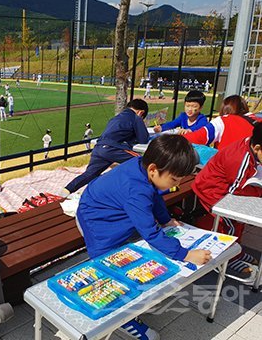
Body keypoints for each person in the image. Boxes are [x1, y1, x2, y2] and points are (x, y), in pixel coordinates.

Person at [77, 135, 210, 340]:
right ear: (153, 169)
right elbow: (151, 232)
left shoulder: (143, 167)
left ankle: (132, 301)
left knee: (131, 261)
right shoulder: (136, 190)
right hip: (98, 223)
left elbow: (154, 194)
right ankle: (122, 319)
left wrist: (166, 220)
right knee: (108, 270)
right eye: (175, 179)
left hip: (113, 213)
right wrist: (185, 254)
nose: (178, 183)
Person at [191, 123, 262, 279]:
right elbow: (233, 193)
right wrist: (258, 192)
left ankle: (235, 251)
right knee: (229, 222)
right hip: (212, 190)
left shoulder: (250, 149)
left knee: (238, 222)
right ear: (256, 147)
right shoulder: (240, 159)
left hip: (224, 187)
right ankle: (228, 258)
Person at [64, 99, 150, 194]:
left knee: (89, 174)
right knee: (144, 162)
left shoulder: (116, 118)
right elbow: (144, 139)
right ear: (141, 112)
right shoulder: (136, 117)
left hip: (99, 147)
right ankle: (147, 191)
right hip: (113, 148)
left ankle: (67, 190)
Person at [184, 95, 262, 150]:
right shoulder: (258, 120)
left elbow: (195, 138)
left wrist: (174, 137)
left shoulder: (223, 121)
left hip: (229, 168)